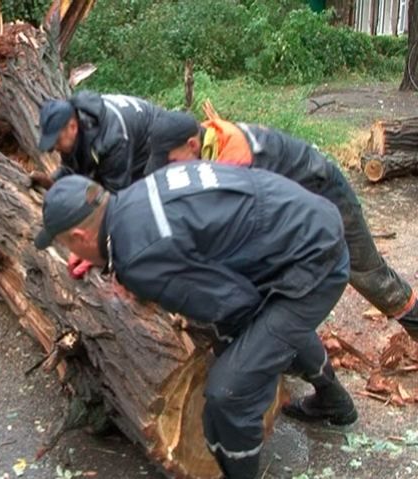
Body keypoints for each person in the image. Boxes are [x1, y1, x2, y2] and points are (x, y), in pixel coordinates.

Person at [34, 163, 357, 479]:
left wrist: (237, 361)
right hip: (307, 225)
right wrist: (116, 259)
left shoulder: (138, 257)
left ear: (79, 235)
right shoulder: (132, 196)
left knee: (227, 394)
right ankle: (334, 403)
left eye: (66, 243)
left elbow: (235, 307)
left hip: (313, 266)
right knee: (269, 334)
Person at [146, 108, 418, 341]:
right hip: (291, 202)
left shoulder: (236, 160)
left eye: (170, 161)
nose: (169, 170)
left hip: (324, 191)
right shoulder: (208, 138)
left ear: (192, 145)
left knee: (370, 277)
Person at [35, 91, 183, 279]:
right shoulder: (76, 126)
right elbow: (73, 167)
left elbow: (115, 200)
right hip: (127, 148)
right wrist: (54, 181)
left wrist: (93, 251)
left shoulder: (112, 138)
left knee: (144, 210)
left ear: (72, 126)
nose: (53, 148)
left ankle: (159, 267)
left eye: (55, 141)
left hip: (154, 150)